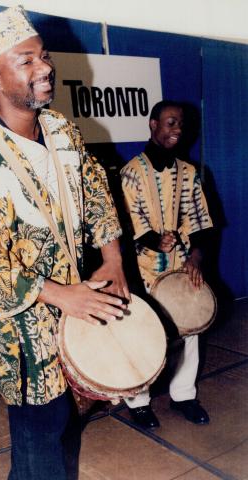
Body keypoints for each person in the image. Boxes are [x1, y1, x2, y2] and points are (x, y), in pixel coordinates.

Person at [0, 6, 130, 479]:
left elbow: (94, 187)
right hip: (14, 322)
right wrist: (61, 294)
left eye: (43, 56)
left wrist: (113, 258)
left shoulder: (61, 130)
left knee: (60, 425)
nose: (45, 67)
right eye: (25, 60)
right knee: (42, 430)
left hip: (68, 301)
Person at [120, 100, 213, 429]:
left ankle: (184, 395)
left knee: (191, 327)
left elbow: (200, 222)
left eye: (181, 125)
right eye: (170, 123)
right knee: (142, 333)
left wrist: (197, 258)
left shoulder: (189, 174)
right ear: (153, 124)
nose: (177, 130)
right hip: (141, 270)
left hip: (180, 266)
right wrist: (152, 240)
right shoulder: (131, 173)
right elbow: (130, 223)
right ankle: (138, 401)